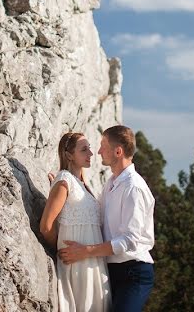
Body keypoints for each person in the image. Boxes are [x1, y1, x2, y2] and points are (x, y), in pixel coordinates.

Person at [59, 126, 155, 312]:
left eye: (103, 145)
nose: (99, 151)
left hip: (133, 273)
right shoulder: (111, 183)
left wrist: (86, 251)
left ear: (118, 151)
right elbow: (97, 214)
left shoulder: (133, 187)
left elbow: (130, 240)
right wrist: (67, 183)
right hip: (112, 270)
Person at [40, 132, 112, 311]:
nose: (90, 153)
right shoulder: (64, 181)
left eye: (90, 149)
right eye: (84, 149)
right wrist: (60, 250)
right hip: (77, 263)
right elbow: (46, 226)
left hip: (93, 262)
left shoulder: (82, 184)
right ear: (69, 155)